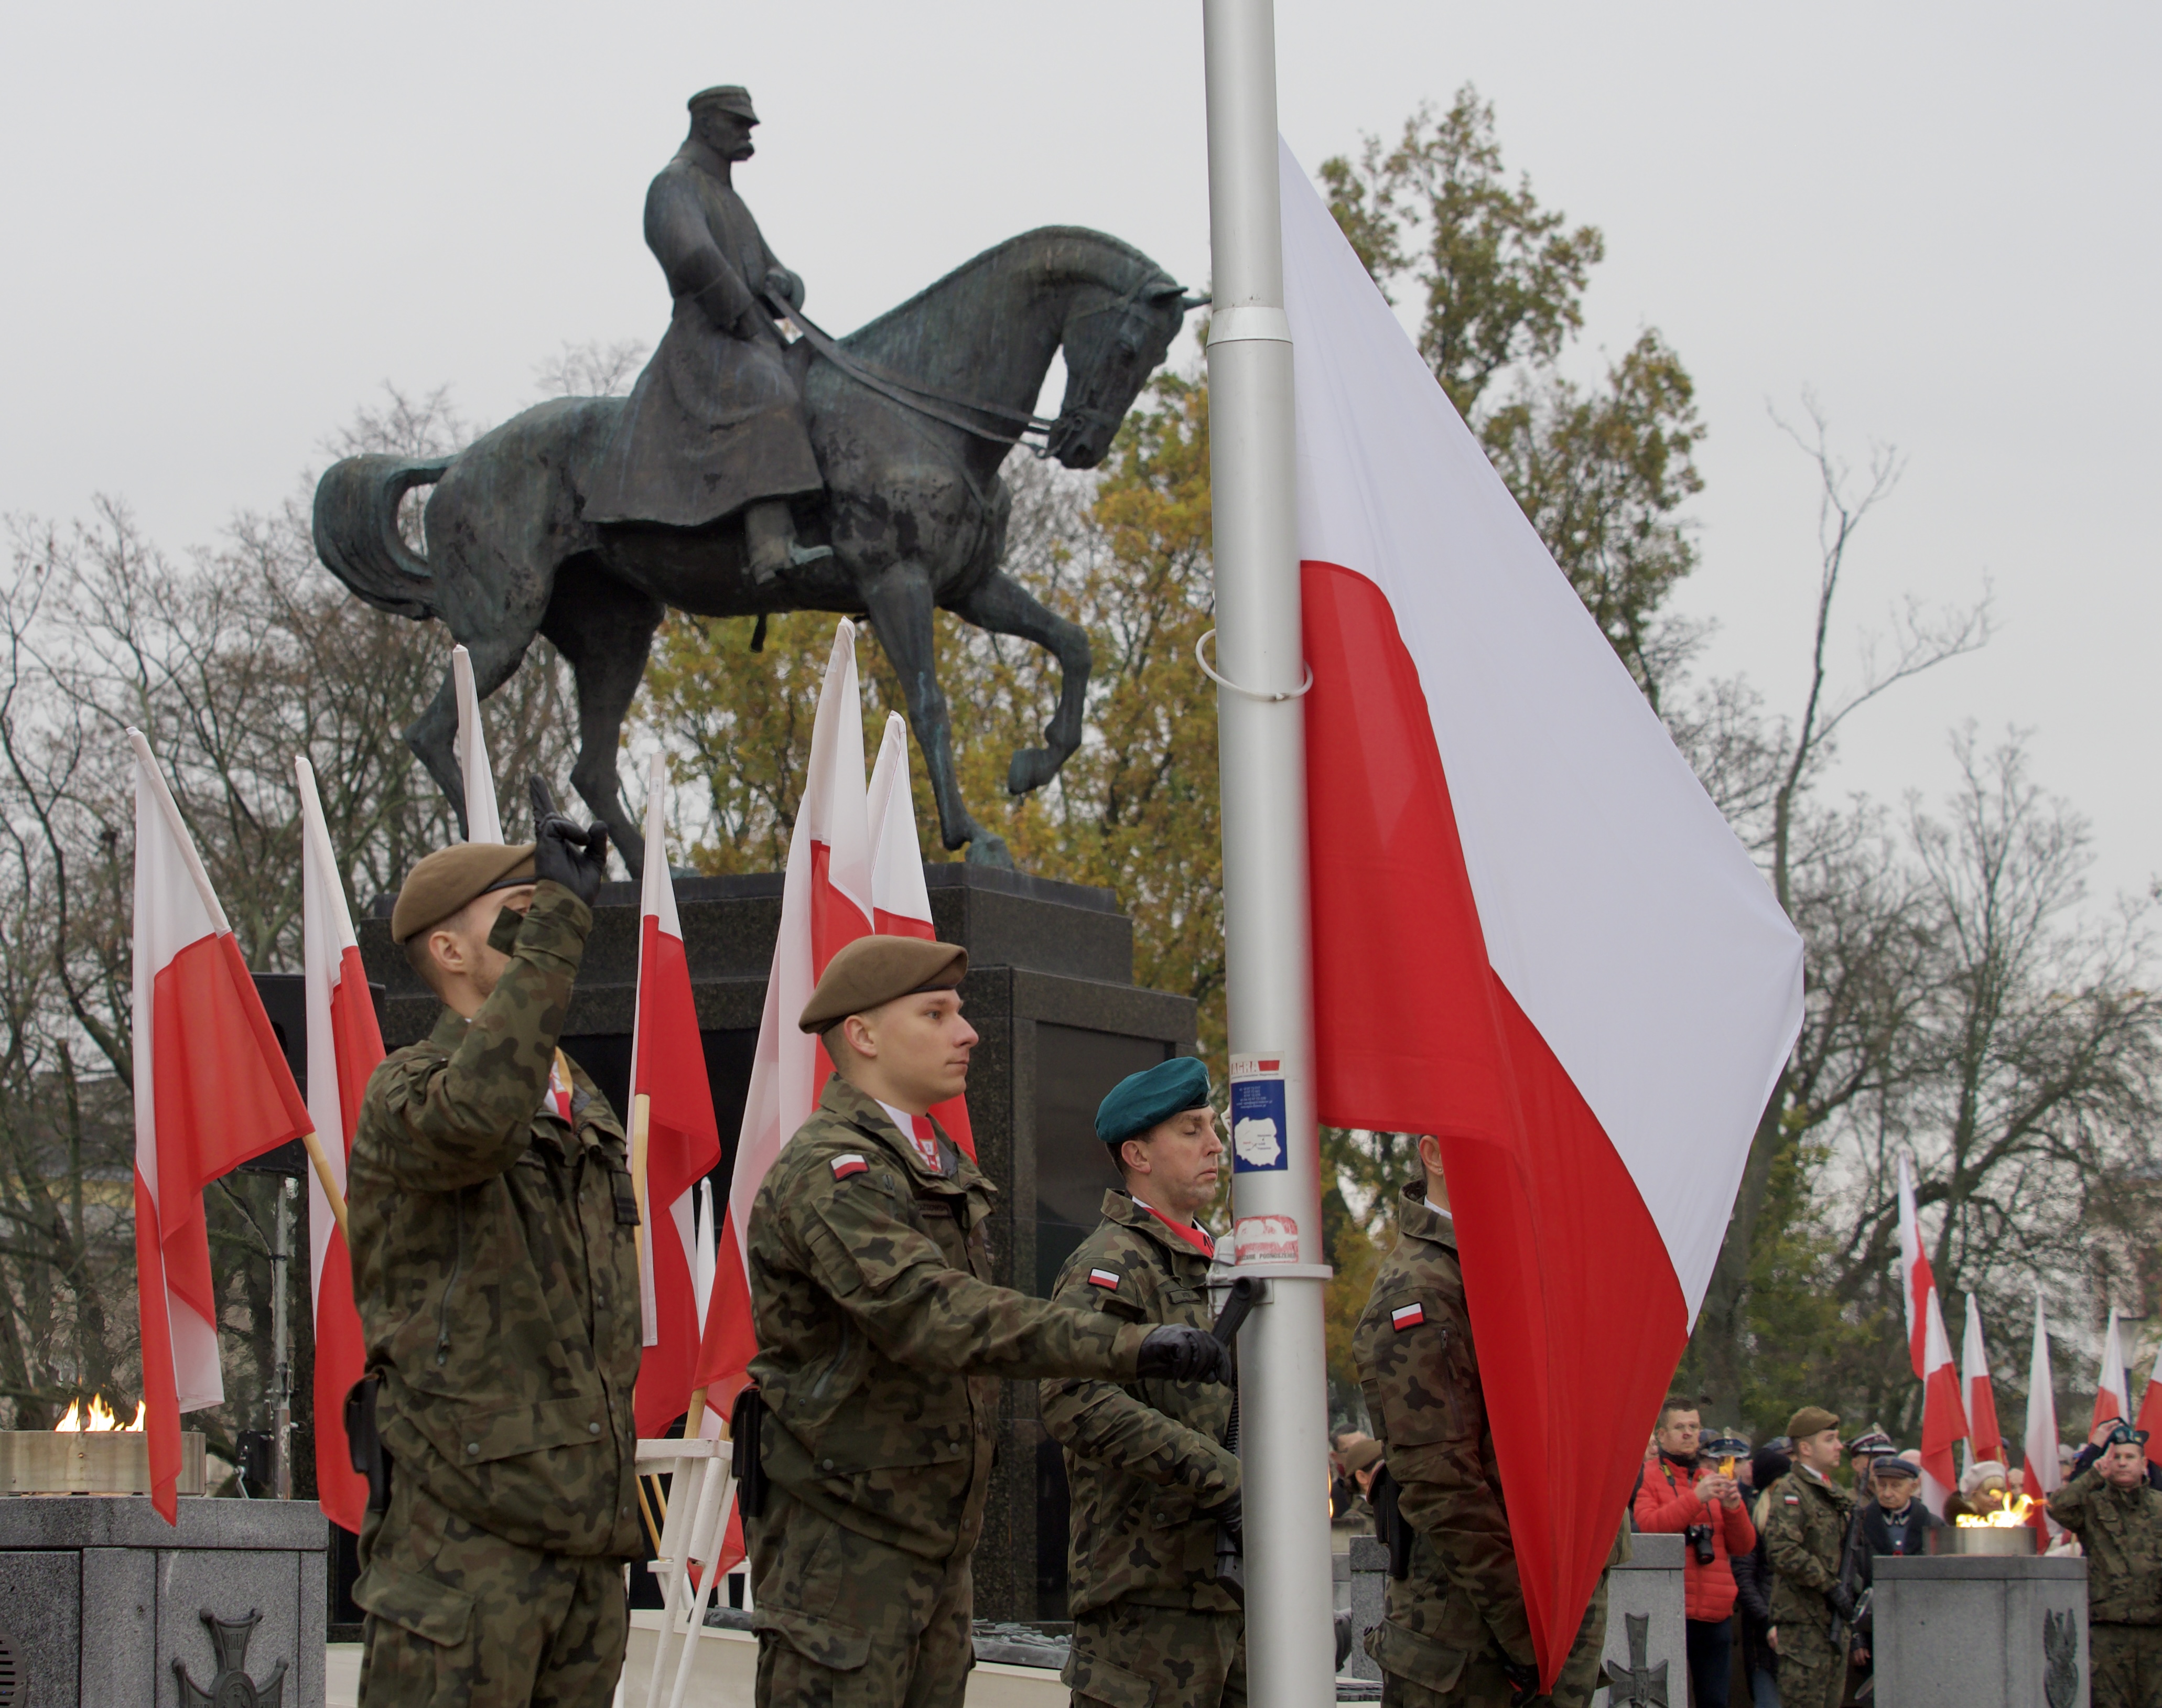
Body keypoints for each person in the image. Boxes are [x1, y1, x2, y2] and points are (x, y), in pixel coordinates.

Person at [742, 935, 1232, 1706]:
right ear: (864, 1035)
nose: (967, 1031)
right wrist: (1130, 1345)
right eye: (935, 1013)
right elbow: (932, 1312)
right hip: (843, 1558)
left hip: (934, 1554)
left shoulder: (938, 1168)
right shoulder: (830, 1170)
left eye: (962, 1012)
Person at [348, 783, 630, 1707]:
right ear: (448, 948)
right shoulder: (409, 1091)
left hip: (581, 1536)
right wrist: (557, 930)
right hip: (460, 1548)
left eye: (550, 906)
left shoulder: (577, 1098)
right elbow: (476, 1115)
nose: (549, 922)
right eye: (520, 911)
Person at [1040, 1056, 1246, 1708]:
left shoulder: (1219, 1259)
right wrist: (1218, 1476)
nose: (1215, 1145)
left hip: (1229, 1593)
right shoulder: (1111, 1262)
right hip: (1146, 1600)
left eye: (1212, 1127)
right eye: (1190, 1130)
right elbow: (1073, 1397)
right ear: (1138, 1154)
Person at [586, 84, 833, 582]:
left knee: (821, 379)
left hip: (754, 334)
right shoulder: (673, 185)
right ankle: (771, 547)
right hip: (707, 339)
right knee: (771, 390)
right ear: (705, 125)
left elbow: (774, 271)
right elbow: (691, 256)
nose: (748, 135)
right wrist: (743, 314)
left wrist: (784, 286)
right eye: (738, 124)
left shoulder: (730, 200)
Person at [1352, 1133, 1539, 1705]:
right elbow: (1442, 1483)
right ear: (1432, 1154)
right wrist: (1527, 1631)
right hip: (1468, 1640)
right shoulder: (1421, 1285)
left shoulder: (1514, 1260)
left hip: (1533, 1614)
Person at [1634, 1402, 1755, 1708]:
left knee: (1715, 1700)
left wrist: (1733, 1508)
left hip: (1715, 1613)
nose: (1689, 1434)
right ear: (1661, 1435)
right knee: (1665, 1700)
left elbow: (1743, 1547)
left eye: (1694, 1427)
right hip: (1668, 1610)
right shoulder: (1647, 1476)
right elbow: (1647, 1529)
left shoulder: (1710, 1477)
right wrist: (1695, 1499)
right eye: (1680, 1427)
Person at [2048, 1419, 2162, 1708]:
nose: (2122, 1464)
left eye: (2129, 1457)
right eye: (2116, 1458)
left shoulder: (2160, 1506)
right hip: (2107, 1635)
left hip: (2156, 1632)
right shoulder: (2092, 1503)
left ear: (2143, 1463)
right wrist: (2093, 1472)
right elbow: (2058, 1508)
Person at [1760, 1408, 1857, 1708]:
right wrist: (1829, 1585)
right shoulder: (1792, 1491)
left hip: (1832, 1621)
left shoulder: (1833, 1492)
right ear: (1805, 1448)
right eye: (1830, 1440)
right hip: (1803, 1622)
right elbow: (1783, 1551)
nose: (1839, 1446)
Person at [1850, 1453, 1941, 1680]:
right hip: (1874, 1631)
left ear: (1914, 1486)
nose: (1887, 1493)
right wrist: (1856, 1636)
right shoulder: (1859, 1524)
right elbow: (1850, 1581)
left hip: (1921, 1628)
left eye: (1896, 1486)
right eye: (1882, 1485)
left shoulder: (1933, 1526)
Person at [1732, 1440, 1791, 1708]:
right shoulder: (1754, 1520)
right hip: (1763, 1633)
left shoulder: (1794, 1521)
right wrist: (1767, 1621)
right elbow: (1744, 1579)